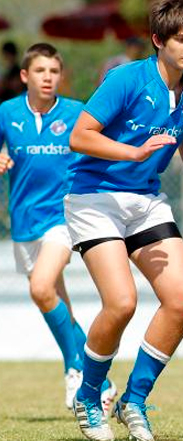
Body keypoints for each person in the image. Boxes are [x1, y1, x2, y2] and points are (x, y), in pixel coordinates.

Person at [64, 1, 183, 440]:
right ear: (159, 40)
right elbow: (81, 136)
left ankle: (134, 400)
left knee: (182, 299)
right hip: (94, 199)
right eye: (180, 38)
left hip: (145, 201)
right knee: (122, 303)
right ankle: (89, 395)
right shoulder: (126, 79)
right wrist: (132, 152)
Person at [0, 42, 116, 414]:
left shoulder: (77, 112)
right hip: (24, 220)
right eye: (40, 71)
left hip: (64, 216)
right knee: (54, 298)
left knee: (40, 288)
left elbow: (100, 150)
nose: (48, 78)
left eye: (53, 71)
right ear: (25, 76)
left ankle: (77, 369)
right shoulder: (7, 112)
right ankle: (95, 376)